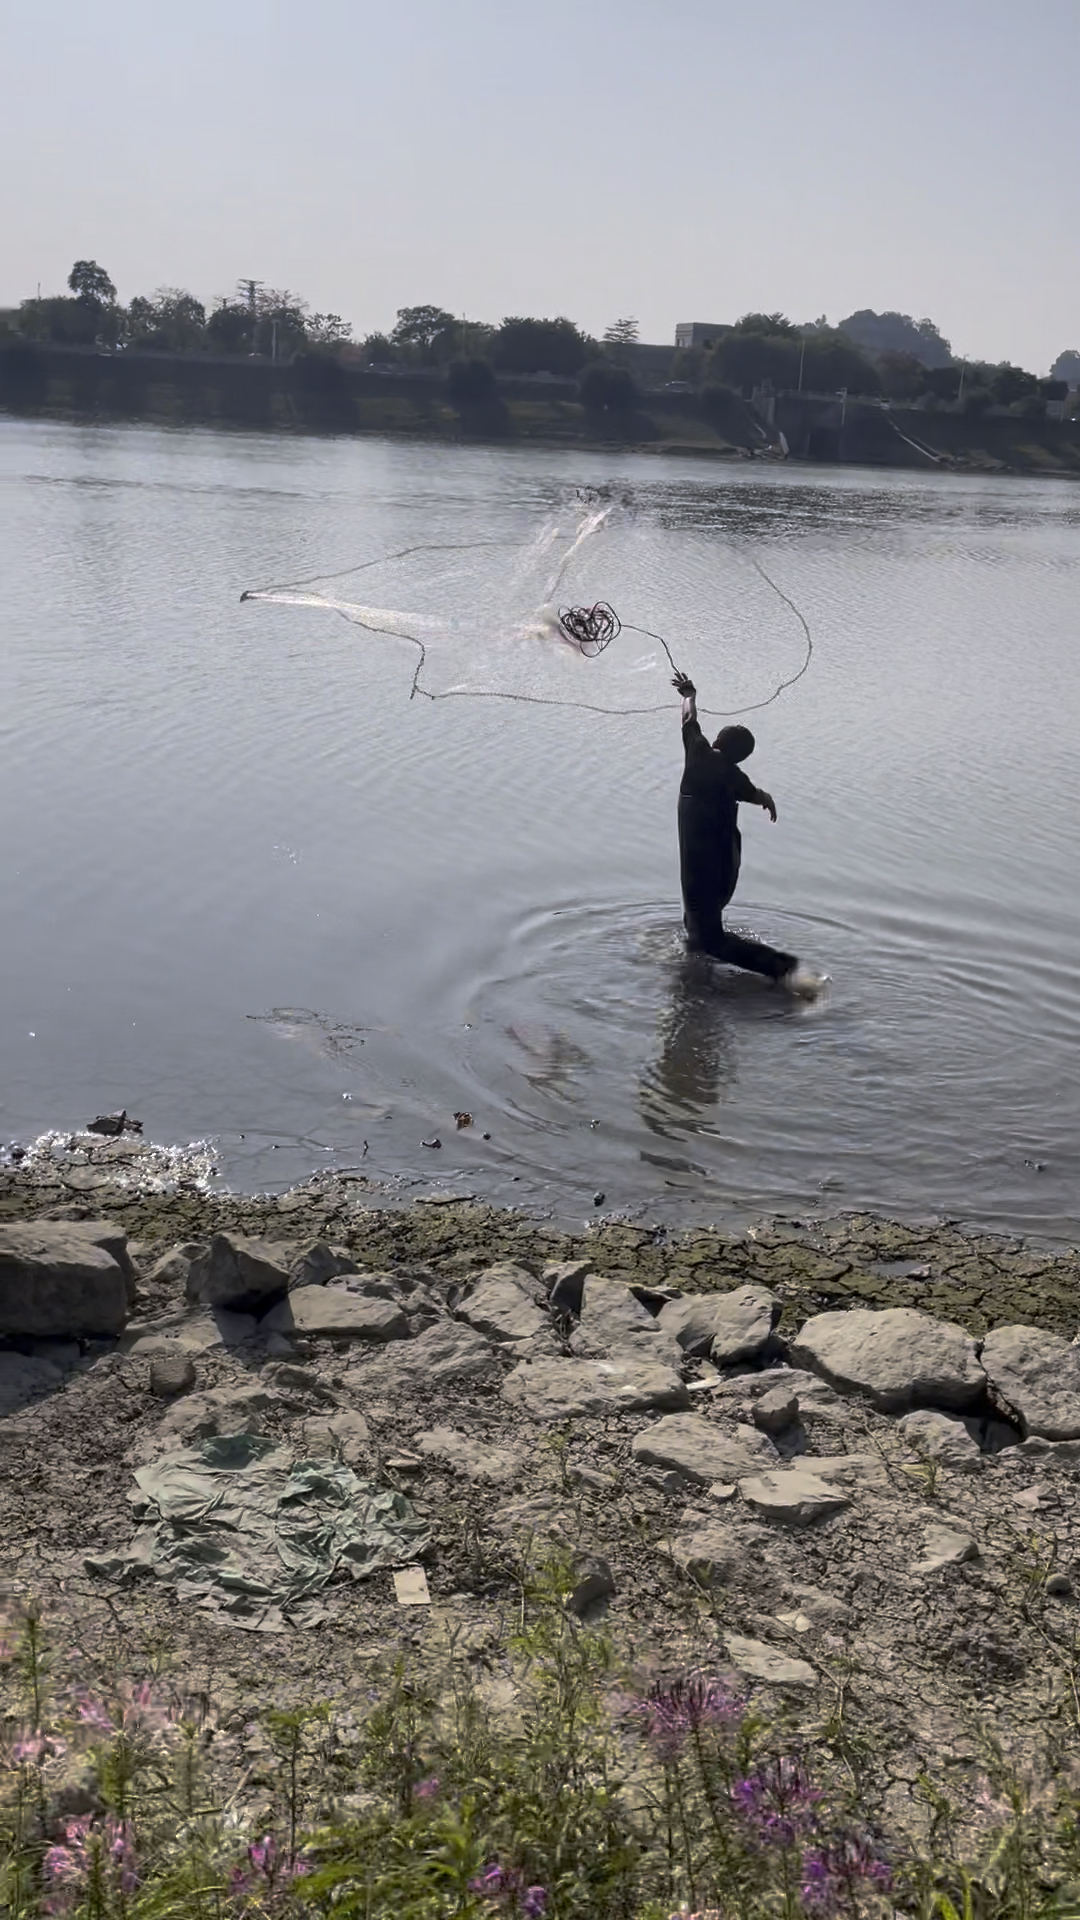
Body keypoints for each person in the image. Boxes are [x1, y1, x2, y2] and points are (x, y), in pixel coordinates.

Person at [672, 670, 800, 985]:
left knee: (708, 937)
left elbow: (689, 720)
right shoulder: (735, 778)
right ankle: (697, 979)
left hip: (701, 864)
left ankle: (783, 967)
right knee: (696, 926)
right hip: (726, 862)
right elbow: (757, 795)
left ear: (716, 741)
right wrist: (766, 799)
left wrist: (689, 694)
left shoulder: (699, 754)